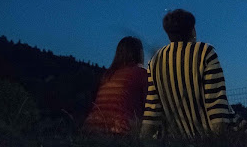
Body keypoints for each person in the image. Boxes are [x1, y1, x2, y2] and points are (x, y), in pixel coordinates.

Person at [141, 9, 237, 139]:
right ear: (192, 30)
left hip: (175, 139)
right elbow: (216, 106)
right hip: (206, 137)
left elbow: (152, 111)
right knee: (246, 121)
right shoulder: (205, 53)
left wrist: (143, 139)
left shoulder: (155, 61)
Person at [83, 36, 148, 135]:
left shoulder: (107, 75)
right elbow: (150, 105)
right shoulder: (141, 73)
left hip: (91, 128)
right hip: (121, 129)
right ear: (139, 53)